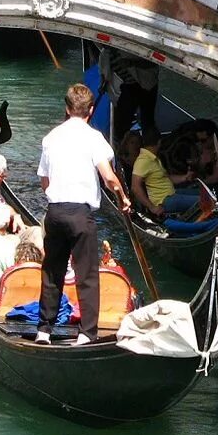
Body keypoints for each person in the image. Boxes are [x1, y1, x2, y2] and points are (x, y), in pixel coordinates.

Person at [35, 83, 131, 345]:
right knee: (86, 275)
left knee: (52, 271)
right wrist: (122, 197)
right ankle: (87, 334)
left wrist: (55, 197)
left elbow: (44, 179)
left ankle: (44, 330)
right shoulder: (92, 138)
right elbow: (108, 176)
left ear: (67, 109)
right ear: (90, 111)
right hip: (80, 213)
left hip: (55, 212)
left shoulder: (51, 137)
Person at [131, 127, 208, 221]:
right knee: (206, 201)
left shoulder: (153, 158)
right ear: (159, 142)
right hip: (165, 201)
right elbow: (135, 187)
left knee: (206, 194)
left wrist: (185, 177)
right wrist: (152, 207)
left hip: (172, 193)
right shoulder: (143, 161)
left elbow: (166, 178)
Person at [99, 49, 159, 145]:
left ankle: (150, 144)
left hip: (147, 85)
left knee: (147, 120)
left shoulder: (129, 51)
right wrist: (102, 85)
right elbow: (104, 76)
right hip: (129, 86)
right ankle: (118, 144)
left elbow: (152, 63)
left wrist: (130, 63)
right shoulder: (105, 55)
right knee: (121, 122)